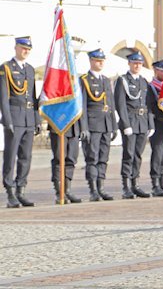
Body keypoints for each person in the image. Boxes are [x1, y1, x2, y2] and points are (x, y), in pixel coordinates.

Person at [0, 36, 40, 207]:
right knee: (10, 156)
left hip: (29, 118)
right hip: (14, 118)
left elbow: (34, 97)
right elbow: (3, 97)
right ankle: (9, 192)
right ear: (16, 48)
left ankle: (21, 190)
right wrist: (7, 120)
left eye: (29, 49)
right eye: (23, 48)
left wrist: (37, 119)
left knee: (26, 156)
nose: (26, 51)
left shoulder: (30, 70)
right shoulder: (6, 68)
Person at [79, 49, 116, 202]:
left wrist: (114, 125)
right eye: (97, 60)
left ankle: (101, 187)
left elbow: (111, 104)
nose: (100, 63)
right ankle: (93, 189)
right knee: (92, 157)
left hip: (106, 124)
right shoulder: (84, 80)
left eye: (102, 60)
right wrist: (84, 127)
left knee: (103, 157)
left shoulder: (106, 80)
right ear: (91, 61)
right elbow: (82, 106)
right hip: (93, 125)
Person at [114, 52, 153, 199]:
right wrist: (125, 124)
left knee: (138, 155)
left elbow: (148, 104)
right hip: (130, 121)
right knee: (128, 154)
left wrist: (150, 123)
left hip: (142, 122)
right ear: (129, 63)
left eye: (140, 63)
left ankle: (135, 184)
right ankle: (126, 186)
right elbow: (120, 104)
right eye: (134, 63)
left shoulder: (143, 81)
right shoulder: (123, 80)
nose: (137, 66)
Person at [146, 60, 163, 197]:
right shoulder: (151, 87)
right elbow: (149, 107)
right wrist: (150, 125)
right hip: (157, 123)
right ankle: (155, 184)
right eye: (161, 71)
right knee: (157, 154)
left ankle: (162, 182)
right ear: (155, 71)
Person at [48, 119, 82, 204]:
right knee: (59, 159)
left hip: (74, 126)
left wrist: (83, 127)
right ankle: (59, 192)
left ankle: (67, 190)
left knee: (71, 159)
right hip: (58, 123)